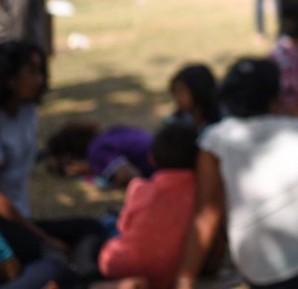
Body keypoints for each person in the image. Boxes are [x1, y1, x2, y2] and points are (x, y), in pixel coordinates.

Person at [176, 57, 298, 289]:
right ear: (275, 98)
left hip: (266, 274)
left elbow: (208, 215)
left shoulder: (214, 142)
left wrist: (185, 279)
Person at [0, 40, 106, 286]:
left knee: (89, 229)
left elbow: (22, 158)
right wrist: (44, 238)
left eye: (41, 71)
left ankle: (91, 281)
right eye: (31, 72)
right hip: (8, 228)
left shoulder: (28, 112)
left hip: (22, 220)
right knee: (53, 261)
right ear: (9, 79)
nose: (40, 79)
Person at [98, 122, 199, 289]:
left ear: (152, 158)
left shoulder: (139, 188)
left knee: (107, 223)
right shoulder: (201, 191)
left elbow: (123, 226)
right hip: (171, 270)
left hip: (121, 263)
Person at [45, 120, 155, 189]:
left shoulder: (96, 152)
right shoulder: (108, 135)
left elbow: (128, 176)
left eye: (66, 170)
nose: (72, 174)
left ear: (72, 159)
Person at [166, 63, 221, 130]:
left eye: (181, 91)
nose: (177, 97)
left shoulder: (223, 124)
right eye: (175, 92)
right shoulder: (175, 122)